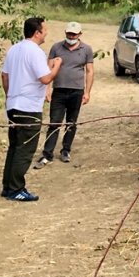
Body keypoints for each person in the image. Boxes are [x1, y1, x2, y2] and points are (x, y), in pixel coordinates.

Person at [1, 17, 61, 202]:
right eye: (45, 30)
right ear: (37, 32)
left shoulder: (14, 49)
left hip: (13, 105)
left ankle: (8, 186)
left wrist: (9, 95)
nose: (46, 33)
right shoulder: (35, 52)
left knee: (14, 146)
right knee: (25, 148)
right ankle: (16, 189)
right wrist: (57, 66)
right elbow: (45, 78)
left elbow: (5, 76)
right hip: (28, 108)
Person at [34, 21, 94, 168]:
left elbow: (90, 71)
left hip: (76, 91)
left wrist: (87, 92)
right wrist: (47, 90)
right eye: (69, 33)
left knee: (71, 122)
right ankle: (47, 153)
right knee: (54, 122)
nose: (71, 36)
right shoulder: (56, 47)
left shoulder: (86, 49)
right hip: (59, 91)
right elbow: (48, 69)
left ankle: (66, 150)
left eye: (74, 34)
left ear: (79, 34)